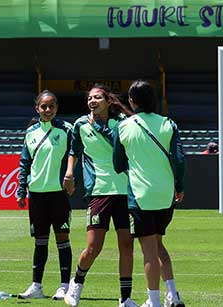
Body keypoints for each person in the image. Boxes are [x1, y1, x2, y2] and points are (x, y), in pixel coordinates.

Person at [113, 80, 186, 307]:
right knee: (158, 244)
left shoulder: (123, 127)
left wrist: (135, 168)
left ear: (132, 102)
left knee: (149, 251)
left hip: (140, 195)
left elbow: (117, 163)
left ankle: (153, 301)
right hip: (165, 195)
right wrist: (179, 186)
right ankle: (172, 295)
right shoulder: (168, 124)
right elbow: (180, 160)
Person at [63, 85, 136, 307]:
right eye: (90, 98)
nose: (92, 101)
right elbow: (74, 150)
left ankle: (125, 298)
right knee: (93, 247)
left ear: (107, 101)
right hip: (99, 191)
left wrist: (101, 127)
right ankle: (76, 283)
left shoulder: (120, 122)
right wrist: (69, 173)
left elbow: (118, 143)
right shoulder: (80, 125)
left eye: (97, 98)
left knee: (127, 245)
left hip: (125, 191)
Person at [17, 91, 76, 301]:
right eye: (44, 106)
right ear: (37, 108)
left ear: (57, 108)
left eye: (51, 106)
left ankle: (64, 286)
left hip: (58, 194)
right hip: (37, 195)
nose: (48, 110)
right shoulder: (30, 132)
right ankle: (36, 286)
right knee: (40, 241)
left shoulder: (67, 130)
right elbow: (25, 162)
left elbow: (75, 155)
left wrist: (71, 177)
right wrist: (21, 189)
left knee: (62, 239)